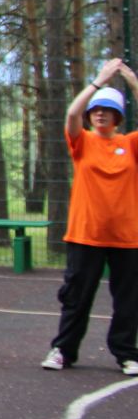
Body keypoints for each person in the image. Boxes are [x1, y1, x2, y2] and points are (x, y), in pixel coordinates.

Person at [41, 59, 138, 376]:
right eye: (96, 110)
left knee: (128, 300)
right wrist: (99, 81)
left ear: (118, 117)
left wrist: (132, 82)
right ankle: (63, 351)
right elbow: (71, 114)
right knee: (77, 298)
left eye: (107, 110)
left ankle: (126, 354)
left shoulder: (130, 145)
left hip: (127, 237)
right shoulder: (82, 142)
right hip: (85, 234)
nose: (100, 114)